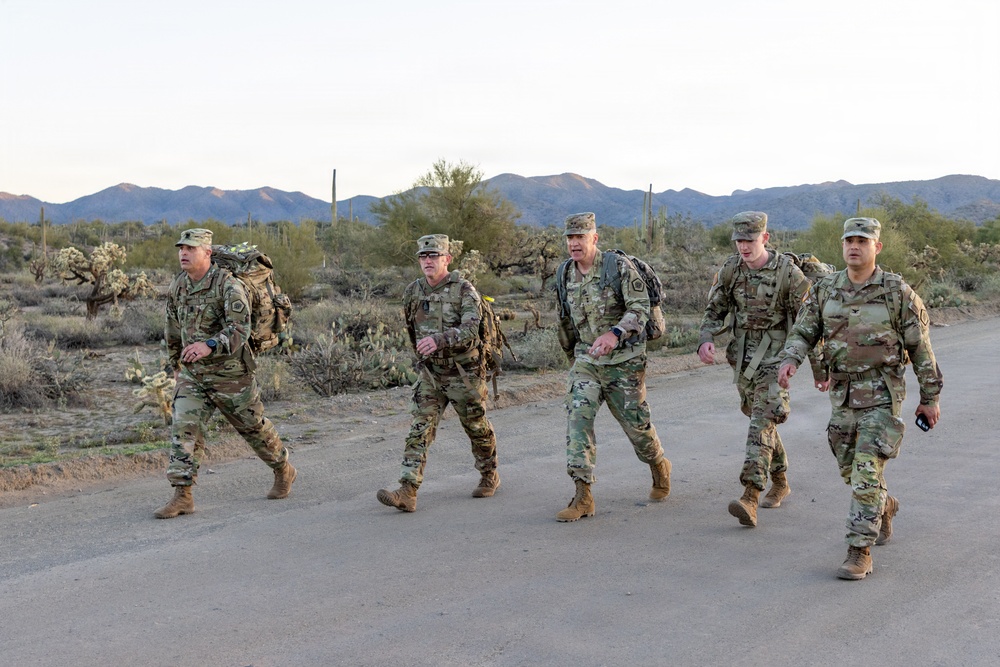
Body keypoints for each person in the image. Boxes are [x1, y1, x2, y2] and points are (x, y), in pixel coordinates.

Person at [777, 217, 943, 580]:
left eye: (862, 241)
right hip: (843, 394)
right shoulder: (825, 289)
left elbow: (921, 349)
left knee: (866, 468)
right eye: (849, 240)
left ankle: (859, 550)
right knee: (850, 468)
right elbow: (804, 331)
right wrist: (790, 359)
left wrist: (929, 397)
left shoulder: (896, 292)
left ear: (876, 247)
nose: (854, 246)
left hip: (883, 394)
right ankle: (884, 505)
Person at [697, 211, 827, 527]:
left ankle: (750, 495)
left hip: (777, 359)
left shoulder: (789, 274)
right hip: (742, 359)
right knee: (761, 420)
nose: (744, 247)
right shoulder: (730, 270)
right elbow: (714, 310)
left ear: (765, 238)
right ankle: (780, 479)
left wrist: (820, 369)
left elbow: (810, 323)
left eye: (750, 240)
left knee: (761, 421)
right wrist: (705, 338)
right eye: (739, 241)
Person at [155, 228, 296, 519]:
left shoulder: (229, 285)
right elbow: (171, 328)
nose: (183, 253)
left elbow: (240, 330)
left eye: (191, 249)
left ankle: (283, 469)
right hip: (194, 375)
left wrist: (208, 346)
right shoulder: (178, 286)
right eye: (181, 248)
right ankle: (183, 495)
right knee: (184, 427)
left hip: (231, 374)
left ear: (207, 252)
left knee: (253, 429)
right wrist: (176, 367)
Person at [554, 212, 671, 522]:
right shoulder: (564, 273)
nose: (574, 243)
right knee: (578, 419)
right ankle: (583, 495)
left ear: (595, 238)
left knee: (637, 429)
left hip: (624, 362)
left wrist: (615, 333)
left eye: (580, 237)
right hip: (587, 361)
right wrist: (574, 360)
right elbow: (565, 321)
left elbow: (640, 308)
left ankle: (658, 463)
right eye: (570, 238)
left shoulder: (617, 267)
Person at [377, 234, 499, 512]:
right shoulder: (413, 291)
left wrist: (440, 340)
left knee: (476, 427)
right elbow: (412, 330)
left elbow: (471, 327)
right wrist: (422, 357)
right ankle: (407, 490)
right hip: (431, 374)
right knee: (419, 428)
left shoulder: (463, 290)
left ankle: (489, 473)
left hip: (464, 372)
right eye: (423, 256)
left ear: (447, 258)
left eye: (434, 255)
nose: (428, 261)